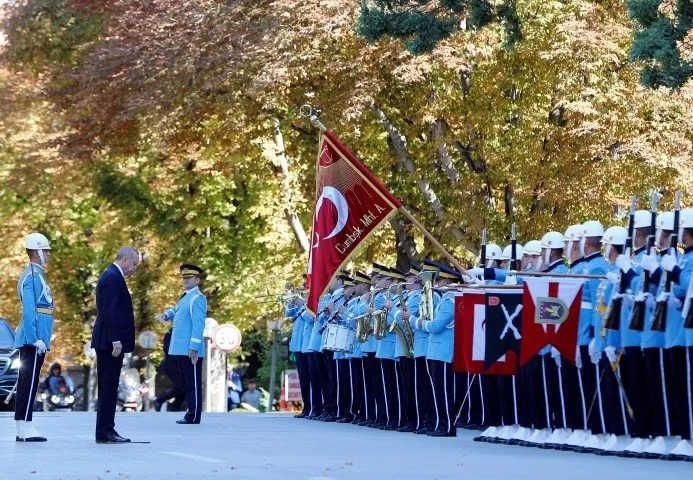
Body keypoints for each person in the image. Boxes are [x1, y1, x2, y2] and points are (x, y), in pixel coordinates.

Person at [91, 246, 140, 444]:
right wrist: (115, 339)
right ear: (125, 260)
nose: (134, 268)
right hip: (110, 342)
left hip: (109, 340)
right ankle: (105, 431)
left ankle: (105, 430)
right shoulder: (112, 277)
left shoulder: (112, 275)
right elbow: (108, 311)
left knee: (109, 387)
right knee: (109, 387)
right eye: (134, 264)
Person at [14, 233, 54, 442]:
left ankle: (23, 427)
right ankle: (26, 427)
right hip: (33, 339)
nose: (48, 254)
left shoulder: (37, 275)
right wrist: (34, 338)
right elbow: (29, 311)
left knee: (27, 382)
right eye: (45, 250)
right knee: (29, 384)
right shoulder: (32, 275)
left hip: (38, 338)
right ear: (37, 251)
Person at [158, 264, 208, 424]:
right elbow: (177, 310)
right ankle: (190, 413)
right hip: (180, 348)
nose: (185, 280)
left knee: (193, 383)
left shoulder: (197, 298)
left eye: (189, 278)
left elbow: (199, 324)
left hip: (189, 349)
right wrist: (167, 314)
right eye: (184, 278)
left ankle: (193, 415)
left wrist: (193, 348)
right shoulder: (186, 297)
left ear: (197, 280)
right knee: (187, 382)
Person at [153, 329, 186, 412]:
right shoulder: (172, 332)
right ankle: (160, 400)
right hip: (172, 365)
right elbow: (168, 349)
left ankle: (176, 406)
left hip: (180, 365)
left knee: (184, 386)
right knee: (182, 386)